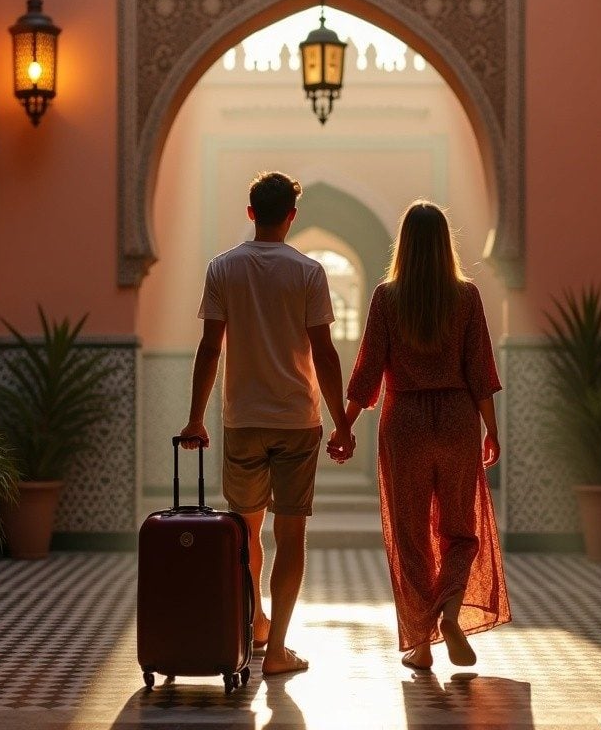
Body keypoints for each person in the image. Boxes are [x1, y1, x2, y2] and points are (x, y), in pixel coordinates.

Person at [180, 171, 355, 677]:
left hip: (242, 420)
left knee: (245, 530)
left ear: (251, 211)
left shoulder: (223, 268)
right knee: (291, 534)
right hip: (298, 420)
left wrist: (195, 418)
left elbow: (210, 347)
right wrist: (341, 422)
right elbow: (324, 352)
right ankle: (277, 648)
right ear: (292, 217)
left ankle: (255, 620)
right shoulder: (308, 272)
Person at [330, 200, 511, 671]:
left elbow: (367, 372)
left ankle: (422, 644)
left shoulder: (386, 297)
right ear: (444, 244)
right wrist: (491, 429)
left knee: (409, 537)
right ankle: (449, 612)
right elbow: (480, 371)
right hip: (456, 418)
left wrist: (346, 423)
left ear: (404, 245)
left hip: (404, 421)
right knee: (461, 532)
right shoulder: (466, 296)